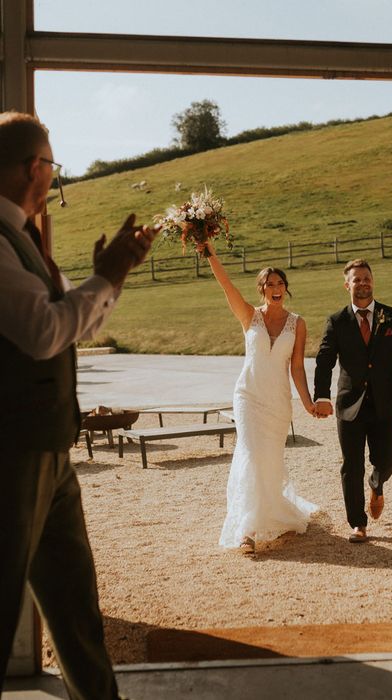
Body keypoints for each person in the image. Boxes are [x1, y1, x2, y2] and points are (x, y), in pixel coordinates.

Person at [0, 111, 157, 699]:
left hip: (48, 450)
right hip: (12, 452)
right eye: (52, 168)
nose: (52, 181)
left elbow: (73, 320)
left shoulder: (24, 239)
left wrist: (108, 278)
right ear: (32, 169)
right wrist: (108, 276)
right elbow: (44, 332)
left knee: (73, 599)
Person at [203, 242, 318, 550]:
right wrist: (209, 250)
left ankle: (271, 512)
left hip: (278, 402)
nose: (275, 288)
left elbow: (297, 368)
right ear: (262, 290)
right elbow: (225, 285)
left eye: (280, 283)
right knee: (251, 456)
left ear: (286, 289)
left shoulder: (298, 324)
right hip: (248, 396)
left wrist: (307, 402)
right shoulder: (249, 317)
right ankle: (247, 529)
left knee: (269, 461)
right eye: (270, 284)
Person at [314, 259, 392, 543]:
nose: (363, 283)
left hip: (387, 403)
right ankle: (358, 523)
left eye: (367, 278)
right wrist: (321, 396)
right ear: (346, 284)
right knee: (351, 464)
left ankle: (377, 483)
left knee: (384, 460)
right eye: (357, 279)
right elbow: (325, 361)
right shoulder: (336, 322)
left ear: (373, 281)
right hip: (349, 406)